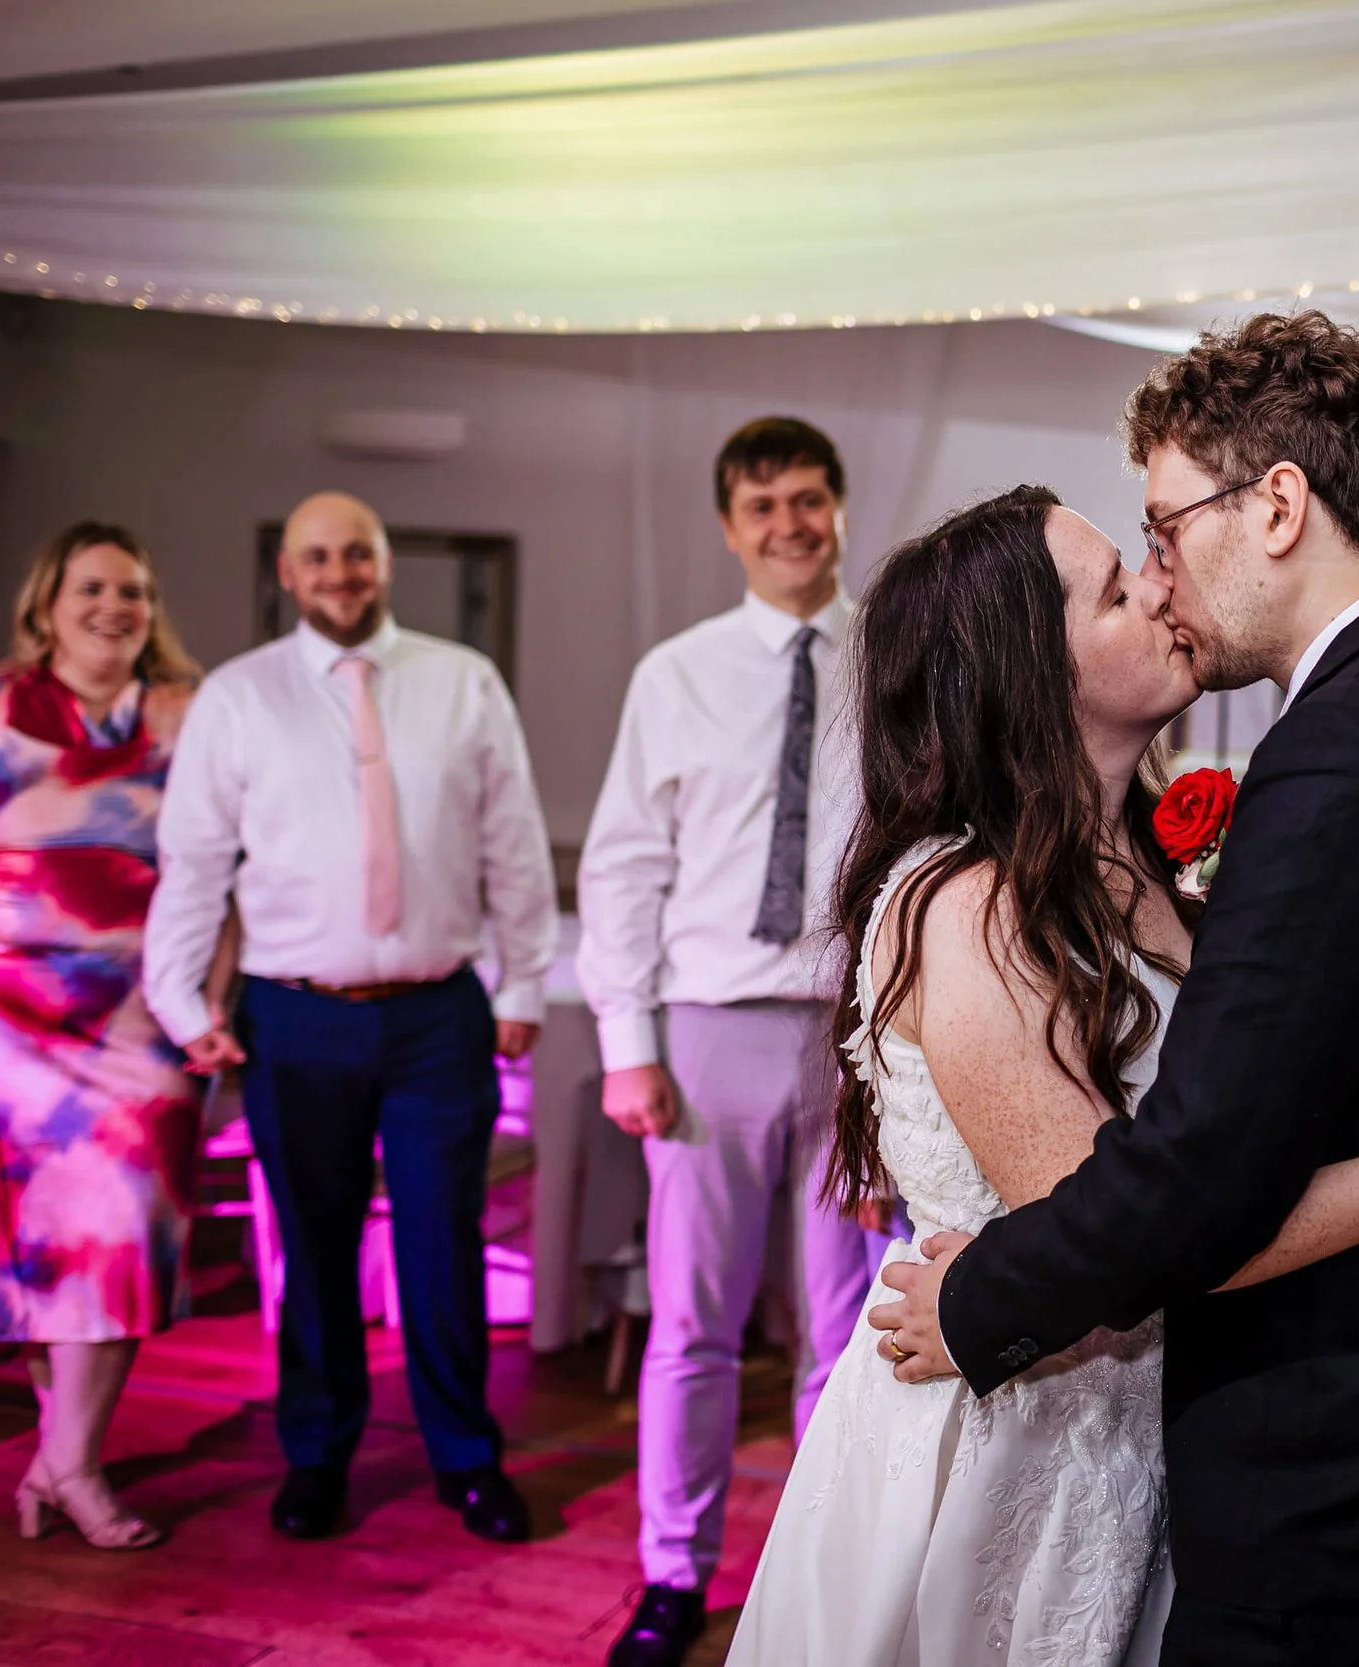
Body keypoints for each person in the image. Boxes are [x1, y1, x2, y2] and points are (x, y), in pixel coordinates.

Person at [727, 483, 1359, 1667]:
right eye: (1113, 583)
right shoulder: (968, 903)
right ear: (1023, 671)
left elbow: (1243, 1112)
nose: (1160, 583)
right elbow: (1110, 1226)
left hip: (1174, 1422)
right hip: (1025, 1436)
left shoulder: (1151, 852)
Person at [143, 491, 557, 1546]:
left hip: (438, 1015)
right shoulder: (237, 698)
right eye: (318, 556)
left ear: (383, 563)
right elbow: (193, 862)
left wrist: (519, 985)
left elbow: (512, 844)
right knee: (314, 1248)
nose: (340, 572)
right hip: (296, 1015)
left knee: (441, 1243)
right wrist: (179, 997)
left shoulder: (462, 681)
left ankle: (467, 1457)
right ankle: (317, 1455)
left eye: (358, 554)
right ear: (288, 571)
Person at [581, 418, 887, 1667]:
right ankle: (673, 1570)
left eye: (807, 500)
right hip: (706, 1031)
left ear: (840, 507)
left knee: (845, 1330)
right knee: (692, 1326)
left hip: (860, 1036)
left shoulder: (897, 654)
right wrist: (626, 1044)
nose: (787, 525)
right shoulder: (677, 672)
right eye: (762, 506)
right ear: (728, 523)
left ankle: (823, 1579)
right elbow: (624, 866)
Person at [0, 522, 205, 1551]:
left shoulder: (186, 714)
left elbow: (238, 856)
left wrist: (217, 997)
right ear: (46, 601)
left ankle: (70, 1459)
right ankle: (63, 1458)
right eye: (95, 586)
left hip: (139, 1026)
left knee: (114, 1236)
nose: (116, 604)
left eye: (135, 589)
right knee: (35, 1252)